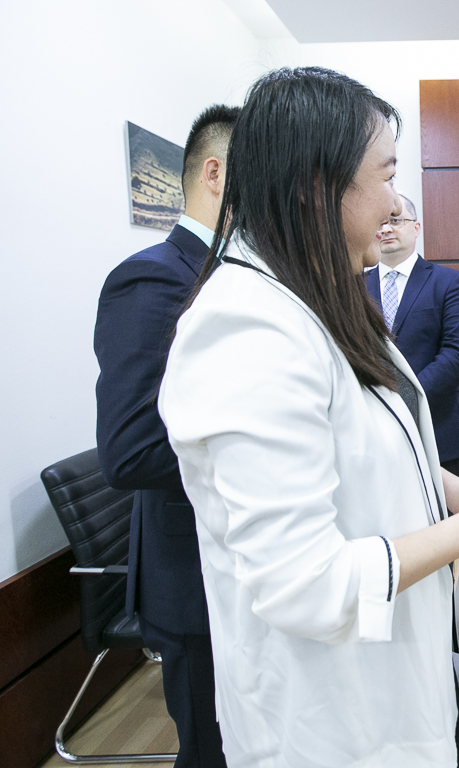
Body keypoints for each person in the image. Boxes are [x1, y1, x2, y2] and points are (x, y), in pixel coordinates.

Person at [157, 67, 459, 768]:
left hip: (388, 687)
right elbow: (305, 584)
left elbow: (353, 441)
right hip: (331, 724)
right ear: (315, 185)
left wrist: (437, 484)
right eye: (386, 175)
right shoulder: (248, 327)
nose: (394, 203)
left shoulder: (317, 296)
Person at [95, 103, 239, 768]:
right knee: (209, 753)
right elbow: (131, 451)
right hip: (192, 575)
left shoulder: (231, 274)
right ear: (215, 174)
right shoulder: (153, 276)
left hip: (238, 561)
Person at [365, 194, 459, 477]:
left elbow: (457, 356)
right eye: (381, 223)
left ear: (416, 228)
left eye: (396, 221)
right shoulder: (353, 286)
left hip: (436, 427)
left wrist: (404, 396)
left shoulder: (448, 282)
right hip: (369, 427)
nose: (387, 229)